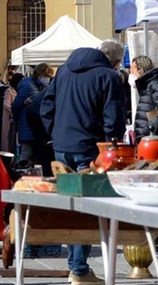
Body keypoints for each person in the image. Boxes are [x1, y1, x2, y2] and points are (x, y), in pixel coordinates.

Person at [38, 40, 129, 285]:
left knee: (70, 205)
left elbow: (46, 105)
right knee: (88, 209)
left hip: (61, 147)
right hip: (90, 148)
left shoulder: (64, 70)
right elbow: (114, 117)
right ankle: (78, 269)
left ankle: (75, 266)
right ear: (116, 61)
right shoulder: (108, 77)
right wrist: (113, 143)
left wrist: (55, 132)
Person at [128, 55, 158, 141]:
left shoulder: (155, 84)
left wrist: (148, 129)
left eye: (132, 71)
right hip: (148, 140)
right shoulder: (147, 86)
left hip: (153, 141)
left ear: (141, 71)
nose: (130, 74)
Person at [11, 64, 49, 164]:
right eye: (47, 76)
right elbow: (15, 106)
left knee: (32, 155)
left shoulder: (37, 85)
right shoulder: (27, 86)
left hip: (33, 127)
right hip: (27, 126)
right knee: (26, 154)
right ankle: (21, 175)